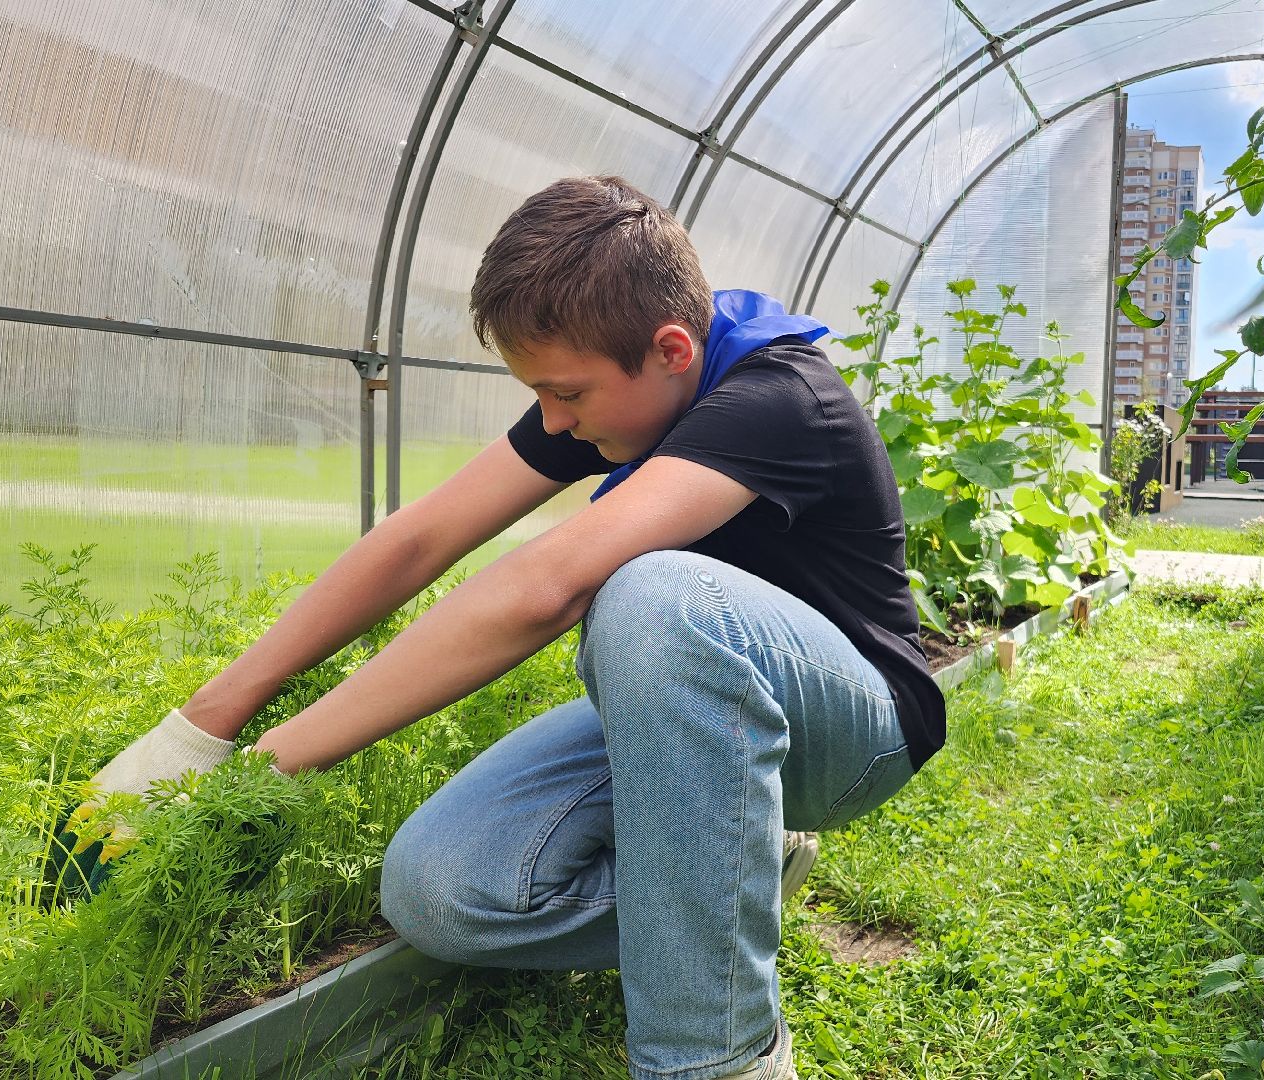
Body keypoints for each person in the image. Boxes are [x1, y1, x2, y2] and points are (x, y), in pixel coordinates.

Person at [76, 175, 945, 1080]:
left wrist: (267, 769)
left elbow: (549, 585)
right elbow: (418, 540)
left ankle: (718, 1063)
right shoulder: (624, 379)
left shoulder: (780, 396)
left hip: (855, 730)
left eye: (564, 394)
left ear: (672, 349)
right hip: (694, 709)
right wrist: (204, 723)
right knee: (443, 892)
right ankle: (740, 862)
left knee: (649, 594)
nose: (553, 421)